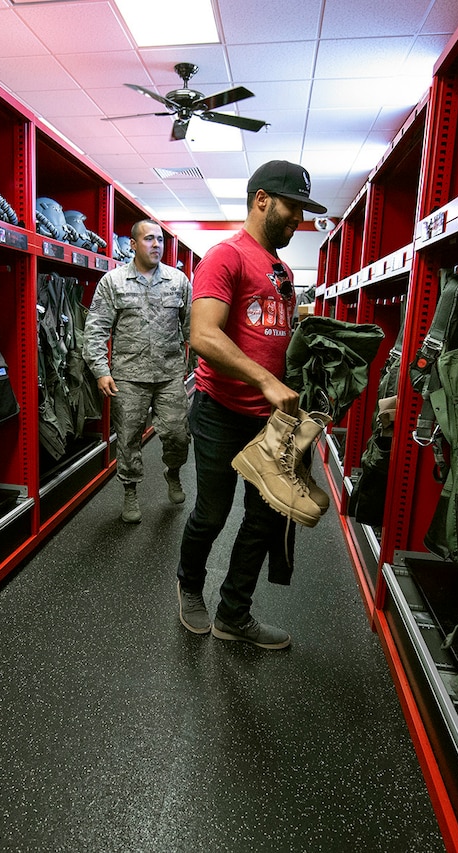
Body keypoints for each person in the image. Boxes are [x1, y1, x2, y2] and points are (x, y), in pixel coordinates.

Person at [176, 160, 327, 650]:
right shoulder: (225, 257)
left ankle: (233, 613)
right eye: (292, 208)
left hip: (269, 421)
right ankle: (190, 586)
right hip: (220, 409)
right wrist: (264, 379)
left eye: (303, 211)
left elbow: (275, 336)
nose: (297, 219)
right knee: (212, 513)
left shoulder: (281, 269)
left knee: (264, 518)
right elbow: (202, 335)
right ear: (262, 199)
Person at [84, 218, 193, 523]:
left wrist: (196, 366)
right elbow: (95, 329)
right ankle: (130, 491)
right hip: (128, 376)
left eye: (159, 239)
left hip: (169, 373)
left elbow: (192, 328)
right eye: (148, 239)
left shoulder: (178, 281)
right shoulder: (113, 282)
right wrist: (100, 370)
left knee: (177, 435)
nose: (156, 245)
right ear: (133, 245)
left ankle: (173, 472)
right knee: (129, 438)